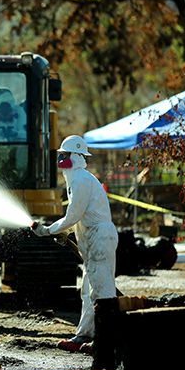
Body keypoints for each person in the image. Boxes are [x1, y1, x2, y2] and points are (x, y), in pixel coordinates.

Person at [33, 135, 117, 353]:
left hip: (100, 237)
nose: (61, 159)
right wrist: (66, 232)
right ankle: (84, 335)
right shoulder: (77, 179)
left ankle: (105, 340)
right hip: (91, 238)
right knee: (88, 292)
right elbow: (79, 217)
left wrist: (48, 230)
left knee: (102, 290)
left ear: (75, 157)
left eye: (64, 154)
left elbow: (73, 215)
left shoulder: (80, 180)